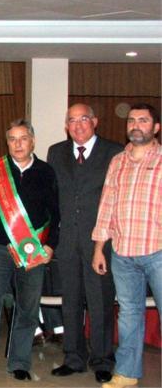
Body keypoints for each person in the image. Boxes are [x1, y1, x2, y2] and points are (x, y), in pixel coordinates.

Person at [0, 119, 60, 384]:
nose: (18, 144)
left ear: (33, 141)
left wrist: (50, 245)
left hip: (33, 251)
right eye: (12, 139)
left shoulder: (46, 172)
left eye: (23, 138)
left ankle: (19, 362)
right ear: (6, 142)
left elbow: (56, 214)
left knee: (28, 308)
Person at [48, 103, 123, 383]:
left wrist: (105, 241)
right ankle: (73, 357)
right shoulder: (56, 152)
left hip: (100, 244)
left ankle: (102, 359)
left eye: (83, 119)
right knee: (70, 300)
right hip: (67, 241)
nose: (77, 125)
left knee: (100, 301)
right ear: (66, 126)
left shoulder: (114, 152)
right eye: (72, 120)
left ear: (95, 121)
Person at [92, 103, 161, 388]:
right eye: (131, 120)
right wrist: (99, 247)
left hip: (157, 251)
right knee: (130, 315)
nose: (136, 125)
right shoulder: (117, 161)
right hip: (122, 252)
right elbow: (106, 205)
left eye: (143, 120)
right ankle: (127, 373)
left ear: (156, 127)